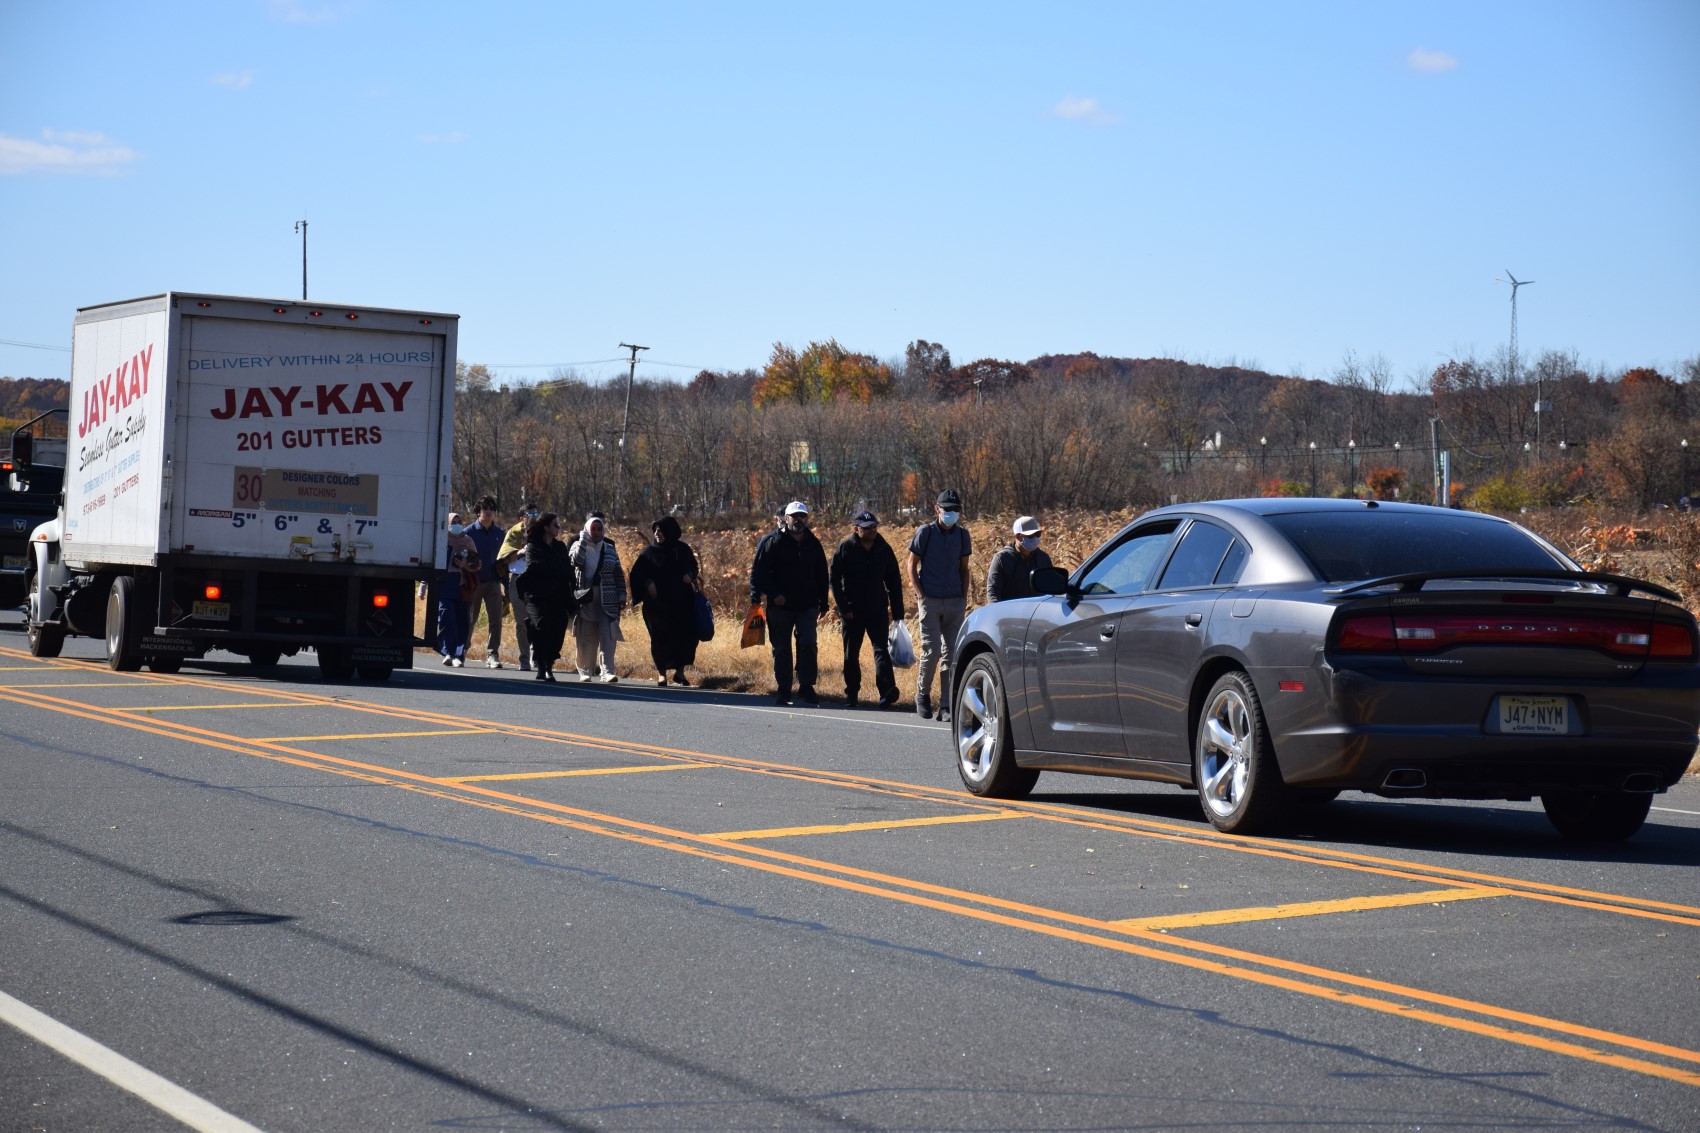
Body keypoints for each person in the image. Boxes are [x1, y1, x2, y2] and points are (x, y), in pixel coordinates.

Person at [748, 500, 829, 706]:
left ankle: (806, 686)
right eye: (795, 516)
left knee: (808, 643)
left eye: (803, 516)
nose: (799, 520)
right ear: (786, 518)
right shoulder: (772, 542)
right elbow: (759, 573)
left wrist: (823, 601)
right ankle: (784, 689)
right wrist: (772, 594)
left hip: (807, 604)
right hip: (780, 606)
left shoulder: (813, 542)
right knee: (782, 648)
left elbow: (821, 573)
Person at [907, 488, 972, 721]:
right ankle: (922, 695)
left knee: (952, 654)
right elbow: (911, 565)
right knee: (932, 650)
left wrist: (964, 597)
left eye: (956, 510)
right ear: (937, 509)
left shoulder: (963, 535)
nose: (952, 514)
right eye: (947, 509)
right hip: (931, 601)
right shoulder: (926, 532)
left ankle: (946, 704)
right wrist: (921, 595)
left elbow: (965, 569)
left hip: (955, 601)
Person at [830, 509, 904, 709]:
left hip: (877, 609)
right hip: (851, 612)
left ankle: (887, 691)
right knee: (851, 654)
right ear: (856, 529)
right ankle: (852, 694)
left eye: (874, 527)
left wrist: (898, 614)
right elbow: (834, 581)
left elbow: (894, 583)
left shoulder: (883, 548)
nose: (872, 531)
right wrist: (843, 607)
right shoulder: (845, 548)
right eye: (867, 528)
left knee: (881, 649)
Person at [629, 515, 703, 686]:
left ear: (670, 531)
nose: (657, 534)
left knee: (685, 637)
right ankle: (662, 674)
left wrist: (690, 576)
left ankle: (680, 673)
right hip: (657, 606)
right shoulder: (649, 552)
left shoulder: (682, 549)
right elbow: (637, 573)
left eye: (661, 531)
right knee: (660, 638)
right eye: (655, 530)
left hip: (682, 603)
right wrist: (648, 583)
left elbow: (694, 566)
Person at [513, 511, 575, 681]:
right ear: (546, 527)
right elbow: (535, 566)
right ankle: (541, 664)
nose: (558, 528)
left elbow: (566, 568)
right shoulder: (533, 546)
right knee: (541, 625)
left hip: (558, 595)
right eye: (556, 525)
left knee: (558, 627)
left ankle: (549, 664)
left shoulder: (560, 547)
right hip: (536, 595)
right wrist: (553, 568)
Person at [568, 513, 627, 682]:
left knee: (607, 636)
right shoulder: (577, 546)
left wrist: (622, 596)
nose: (596, 532)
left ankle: (607, 671)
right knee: (586, 636)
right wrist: (582, 541)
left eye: (599, 528)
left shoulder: (609, 549)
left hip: (607, 598)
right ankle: (586, 670)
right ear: (587, 529)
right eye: (593, 529)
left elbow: (618, 574)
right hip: (585, 597)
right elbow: (576, 562)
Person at [462, 496, 509, 668]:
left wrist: (506, 583)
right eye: (484, 508)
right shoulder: (468, 532)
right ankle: (462, 650)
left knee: (496, 619)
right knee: (469, 618)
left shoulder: (500, 534)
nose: (488, 511)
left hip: (493, 583)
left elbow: (503, 561)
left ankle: (492, 655)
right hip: (473, 582)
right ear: (478, 511)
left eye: (491, 508)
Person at [499, 501, 542, 670]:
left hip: (537, 580)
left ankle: (536, 655)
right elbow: (503, 558)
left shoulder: (543, 533)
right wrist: (521, 552)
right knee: (522, 622)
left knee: (537, 620)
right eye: (530, 515)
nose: (534, 517)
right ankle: (524, 658)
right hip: (518, 580)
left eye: (536, 514)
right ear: (522, 517)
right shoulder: (513, 533)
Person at [437, 511, 477, 667]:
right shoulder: (441, 539)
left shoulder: (467, 541)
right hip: (445, 583)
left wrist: (465, 565)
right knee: (446, 617)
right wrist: (424, 586)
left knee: (462, 620)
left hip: (462, 585)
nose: (457, 525)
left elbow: (476, 563)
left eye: (459, 522)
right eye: (453, 522)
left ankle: (459, 655)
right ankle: (448, 652)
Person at [986, 515, 1055, 602]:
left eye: (1037, 534)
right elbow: (993, 592)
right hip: (1011, 612)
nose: (1035, 538)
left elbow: (1052, 589)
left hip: (1038, 612)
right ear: (1018, 536)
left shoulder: (1043, 558)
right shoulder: (1002, 559)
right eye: (1030, 535)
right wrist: (999, 612)